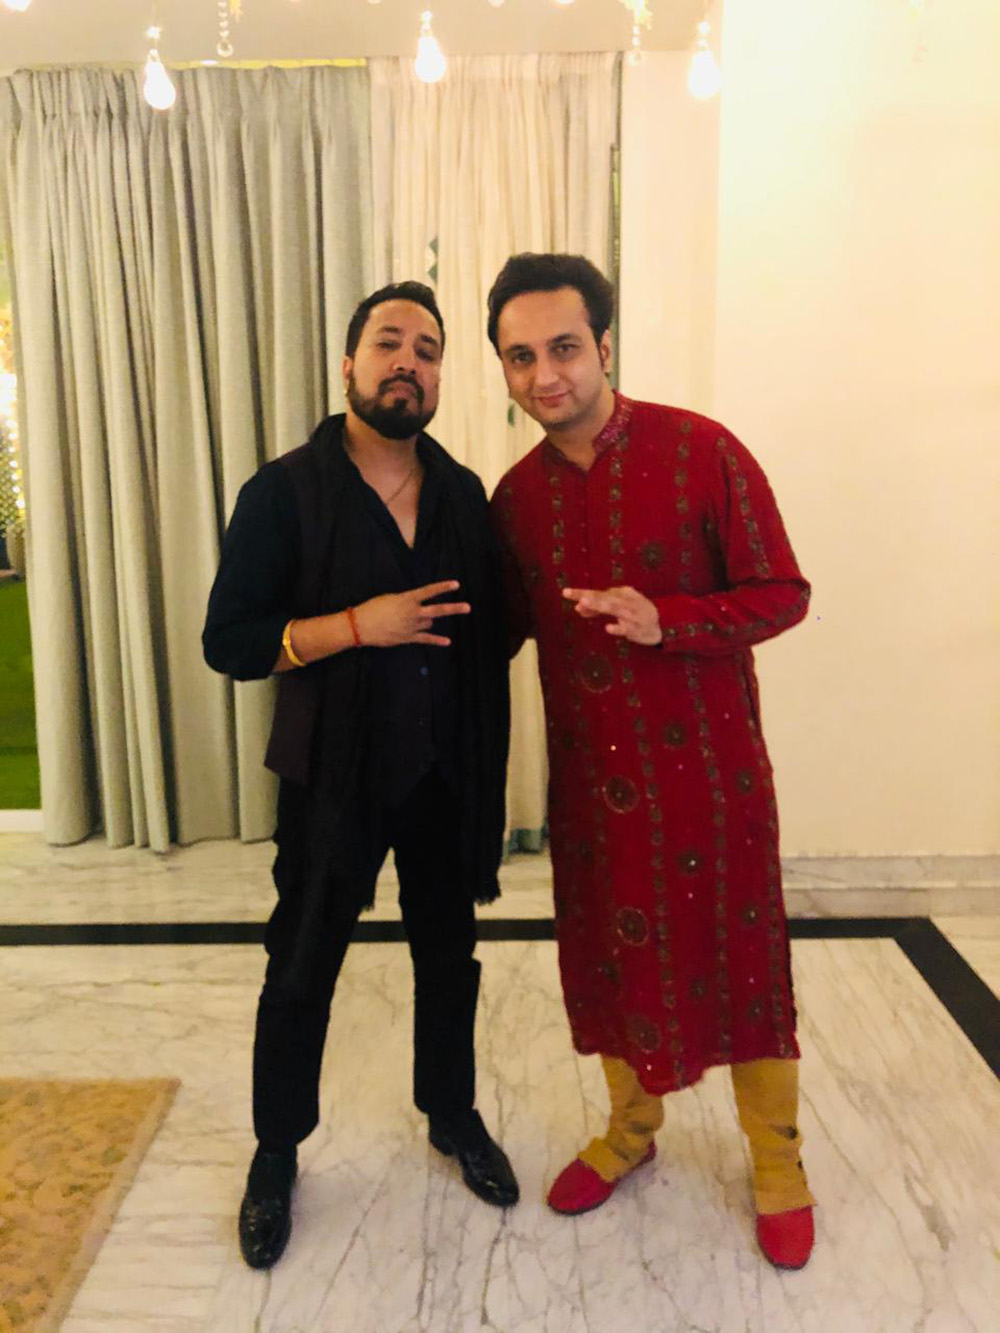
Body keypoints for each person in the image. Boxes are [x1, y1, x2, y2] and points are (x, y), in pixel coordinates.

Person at [487, 253, 816, 1270]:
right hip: (593, 791)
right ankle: (630, 1131)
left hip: (711, 782)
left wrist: (667, 619)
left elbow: (783, 592)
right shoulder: (514, 499)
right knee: (610, 960)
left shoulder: (701, 451)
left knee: (745, 966)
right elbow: (495, 630)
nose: (545, 374)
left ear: (604, 344)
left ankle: (778, 1161)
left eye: (564, 347)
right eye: (520, 356)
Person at [203, 280, 518, 1272]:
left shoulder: (462, 494)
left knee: (449, 955)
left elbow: (498, 622)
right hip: (331, 777)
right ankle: (276, 1152)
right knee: (302, 962)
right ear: (349, 364)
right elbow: (230, 641)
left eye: (427, 349)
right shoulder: (283, 492)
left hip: (446, 774)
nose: (408, 363)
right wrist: (355, 626)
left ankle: (451, 1112)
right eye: (389, 343)